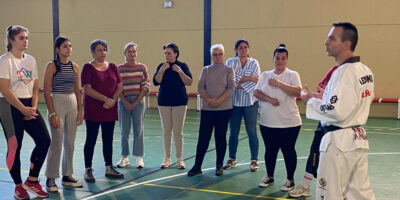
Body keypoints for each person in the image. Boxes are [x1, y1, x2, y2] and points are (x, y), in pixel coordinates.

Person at [301, 22, 376, 199]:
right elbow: (350, 102)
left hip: (338, 143)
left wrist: (309, 100)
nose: (326, 42)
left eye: (332, 38)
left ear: (346, 44)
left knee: (329, 194)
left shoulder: (344, 72)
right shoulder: (365, 70)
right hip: (357, 139)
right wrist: (321, 97)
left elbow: (336, 111)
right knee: (359, 194)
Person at [0, 25, 50, 199]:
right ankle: (18, 186)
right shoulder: (5, 60)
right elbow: (5, 89)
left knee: (44, 140)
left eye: (26, 37)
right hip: (8, 105)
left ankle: (32, 180)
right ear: (12, 41)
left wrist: (33, 108)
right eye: (21, 38)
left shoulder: (31, 60)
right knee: (15, 145)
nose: (25, 41)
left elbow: (35, 86)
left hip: (29, 104)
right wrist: (22, 109)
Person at [254, 44, 302, 191]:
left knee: (288, 150)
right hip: (267, 122)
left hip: (289, 123)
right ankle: (269, 176)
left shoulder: (293, 75)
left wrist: (279, 83)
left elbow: (297, 92)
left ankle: (290, 180)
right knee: (270, 150)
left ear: (287, 60)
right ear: (273, 59)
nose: (280, 61)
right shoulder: (265, 75)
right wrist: (269, 99)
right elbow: (256, 92)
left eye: (283, 58)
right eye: (277, 58)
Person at [288, 65, 338, 197]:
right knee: (314, 153)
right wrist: (309, 95)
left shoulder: (346, 80)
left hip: (338, 128)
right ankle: (305, 186)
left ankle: (341, 190)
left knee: (335, 160)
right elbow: (322, 96)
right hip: (323, 125)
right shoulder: (333, 72)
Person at [187, 44, 235, 177]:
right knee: (203, 138)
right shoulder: (206, 70)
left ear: (224, 55)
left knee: (220, 137)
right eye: (215, 54)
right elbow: (201, 88)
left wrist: (218, 101)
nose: (217, 57)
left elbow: (231, 88)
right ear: (211, 56)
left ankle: (219, 166)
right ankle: (197, 166)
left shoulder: (229, 70)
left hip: (224, 110)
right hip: (207, 110)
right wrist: (210, 101)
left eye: (220, 54)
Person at [43, 36, 84, 192]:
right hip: (57, 101)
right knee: (57, 141)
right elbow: (46, 91)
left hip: (72, 102)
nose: (68, 49)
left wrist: (80, 111)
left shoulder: (75, 67)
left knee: (70, 142)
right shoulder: (51, 66)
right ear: (57, 50)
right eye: (65, 46)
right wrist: (52, 113)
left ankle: (68, 175)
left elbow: (77, 90)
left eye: (70, 46)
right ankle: (51, 177)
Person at [81, 39, 124, 182]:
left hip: (109, 109)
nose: (102, 53)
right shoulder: (87, 67)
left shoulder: (113, 67)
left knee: (108, 140)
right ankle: (88, 169)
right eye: (99, 50)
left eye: (104, 49)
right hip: (93, 109)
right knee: (91, 139)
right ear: (92, 52)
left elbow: (120, 86)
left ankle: (109, 167)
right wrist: (106, 100)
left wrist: (112, 100)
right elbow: (87, 89)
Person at [153, 43, 192, 169]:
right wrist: (162, 70)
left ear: (175, 54)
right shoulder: (161, 66)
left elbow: (189, 81)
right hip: (164, 102)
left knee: (178, 132)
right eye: (165, 53)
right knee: (166, 132)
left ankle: (180, 158)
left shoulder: (182, 66)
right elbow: (156, 81)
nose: (166, 55)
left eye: (169, 53)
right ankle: (167, 158)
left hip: (179, 102)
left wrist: (179, 71)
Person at [224, 39, 260, 172]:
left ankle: (254, 160)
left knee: (252, 132)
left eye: (245, 47)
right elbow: (230, 79)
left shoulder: (254, 63)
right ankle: (232, 159)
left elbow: (256, 81)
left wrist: (238, 83)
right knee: (233, 132)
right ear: (236, 50)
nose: (243, 49)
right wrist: (249, 78)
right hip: (234, 104)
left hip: (251, 103)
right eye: (240, 47)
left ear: (248, 49)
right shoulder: (230, 62)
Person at [117, 42, 150, 169]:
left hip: (138, 102)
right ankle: (124, 157)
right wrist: (125, 102)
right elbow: (117, 87)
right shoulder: (119, 69)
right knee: (124, 130)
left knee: (138, 130)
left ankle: (139, 157)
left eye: (134, 51)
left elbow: (146, 85)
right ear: (125, 53)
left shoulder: (142, 68)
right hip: (123, 102)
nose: (132, 54)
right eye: (129, 51)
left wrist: (136, 102)